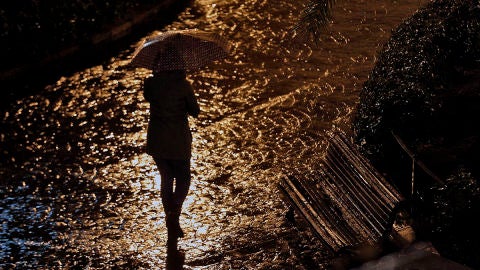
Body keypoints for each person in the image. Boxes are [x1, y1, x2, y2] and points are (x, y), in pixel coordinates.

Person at [143, 68, 200, 246]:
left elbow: (148, 97)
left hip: (157, 138)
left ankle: (171, 221)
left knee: (166, 177)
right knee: (183, 178)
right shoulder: (184, 86)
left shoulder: (150, 83)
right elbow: (195, 111)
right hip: (178, 139)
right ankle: (174, 212)